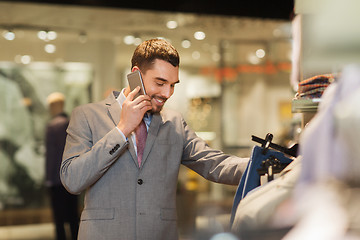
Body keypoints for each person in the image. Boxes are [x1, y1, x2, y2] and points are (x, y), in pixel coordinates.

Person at [60, 38, 249, 240]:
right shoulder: (87, 116)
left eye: (172, 85)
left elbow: (214, 163)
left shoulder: (174, 122)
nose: (167, 93)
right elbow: (72, 179)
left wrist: (266, 165)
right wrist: (122, 129)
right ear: (135, 75)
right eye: (160, 83)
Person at [45, 92, 79, 240]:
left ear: (53, 106)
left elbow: (51, 156)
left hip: (56, 179)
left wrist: (48, 179)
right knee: (73, 217)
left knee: (59, 220)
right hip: (72, 177)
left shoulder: (52, 126)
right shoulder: (72, 123)